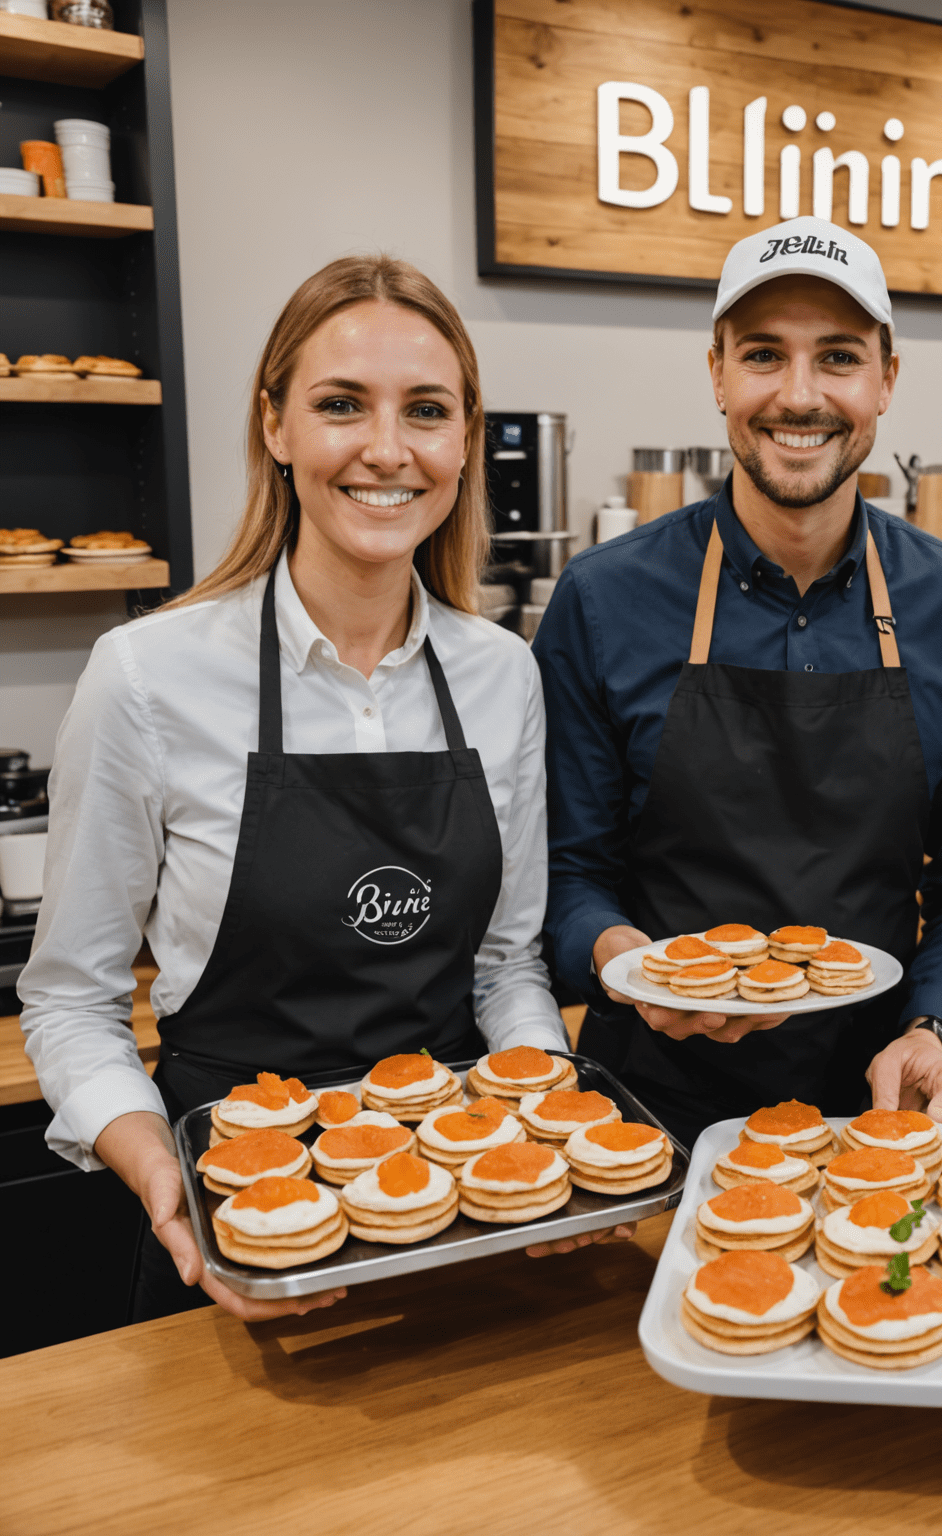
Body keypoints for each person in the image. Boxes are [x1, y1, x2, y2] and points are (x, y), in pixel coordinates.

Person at [20, 255, 592, 1323]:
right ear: (276, 425)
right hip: (233, 1223)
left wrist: (545, 1114)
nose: (387, 449)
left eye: (426, 410)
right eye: (341, 405)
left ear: (464, 441)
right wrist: (162, 1176)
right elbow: (70, 1003)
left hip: (458, 1214)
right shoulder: (149, 676)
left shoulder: (500, 672)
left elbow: (507, 967)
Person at [534, 216, 942, 1147]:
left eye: (837, 356)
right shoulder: (603, 598)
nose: (800, 396)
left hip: (880, 1106)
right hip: (645, 1110)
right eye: (763, 355)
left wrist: (934, 1027)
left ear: (885, 380)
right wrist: (619, 960)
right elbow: (566, 872)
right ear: (717, 373)